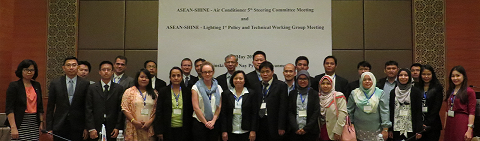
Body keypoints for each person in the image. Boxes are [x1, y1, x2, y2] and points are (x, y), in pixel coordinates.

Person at [47, 56, 90, 141]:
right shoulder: (55, 83)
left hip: (78, 126)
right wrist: (49, 128)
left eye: (74, 65)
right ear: (63, 68)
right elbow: (50, 107)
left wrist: (86, 127)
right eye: (68, 65)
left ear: (78, 67)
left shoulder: (85, 84)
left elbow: (87, 107)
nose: (71, 68)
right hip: (59, 125)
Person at [5, 59, 44, 140]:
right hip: (20, 122)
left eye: (32, 70)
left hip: (34, 122)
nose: (29, 72)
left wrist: (41, 123)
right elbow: (9, 108)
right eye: (26, 70)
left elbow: (40, 107)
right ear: (21, 71)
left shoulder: (37, 85)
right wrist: (13, 127)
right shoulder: (14, 86)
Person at [85, 61, 124, 141]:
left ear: (112, 72)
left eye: (108, 70)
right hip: (95, 126)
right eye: (103, 69)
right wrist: (91, 128)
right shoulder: (92, 88)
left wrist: (117, 127)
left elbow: (120, 110)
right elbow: (88, 109)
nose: (106, 72)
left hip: (112, 127)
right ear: (99, 72)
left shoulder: (119, 88)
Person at [347, 72, 391, 141]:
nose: (367, 82)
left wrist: (385, 129)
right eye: (364, 80)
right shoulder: (354, 93)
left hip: (376, 130)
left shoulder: (380, 93)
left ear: (373, 81)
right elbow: (349, 110)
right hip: (357, 130)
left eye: (369, 79)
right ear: (361, 81)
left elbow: (385, 111)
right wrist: (350, 124)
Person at [155, 67, 194, 141]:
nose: (176, 78)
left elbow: (190, 111)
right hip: (167, 129)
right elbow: (159, 111)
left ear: (182, 77)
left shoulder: (188, 91)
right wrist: (159, 131)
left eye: (178, 75)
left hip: (184, 129)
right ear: (170, 77)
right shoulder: (163, 91)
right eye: (173, 76)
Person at [254, 61, 288, 141]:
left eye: (267, 71)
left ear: (272, 72)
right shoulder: (256, 86)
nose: (265, 74)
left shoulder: (281, 85)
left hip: (274, 123)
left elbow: (283, 107)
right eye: (262, 72)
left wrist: (281, 126)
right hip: (259, 122)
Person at [220, 70, 257, 141]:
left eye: (240, 78)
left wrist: (253, 130)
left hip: (246, 130)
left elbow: (254, 114)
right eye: (236, 78)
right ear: (232, 80)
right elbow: (223, 114)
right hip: (230, 130)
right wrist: (224, 131)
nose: (238, 80)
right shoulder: (226, 94)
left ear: (244, 80)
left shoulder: (251, 94)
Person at [121, 69, 158, 141]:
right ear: (137, 78)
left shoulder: (154, 93)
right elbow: (124, 108)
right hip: (133, 126)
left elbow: (157, 110)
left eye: (146, 77)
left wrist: (150, 122)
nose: (144, 79)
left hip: (148, 127)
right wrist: (134, 121)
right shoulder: (129, 91)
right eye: (142, 77)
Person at [388, 69, 423, 141]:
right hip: (396, 128)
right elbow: (391, 111)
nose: (403, 77)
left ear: (410, 77)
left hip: (411, 128)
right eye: (400, 75)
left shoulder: (415, 91)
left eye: (406, 75)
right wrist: (390, 129)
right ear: (397, 77)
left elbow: (418, 112)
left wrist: (419, 130)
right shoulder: (393, 92)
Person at [192, 61, 223, 141]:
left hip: (214, 123)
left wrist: (213, 121)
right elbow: (196, 108)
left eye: (209, 72)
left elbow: (219, 106)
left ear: (213, 72)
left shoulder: (218, 88)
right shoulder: (195, 87)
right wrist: (206, 122)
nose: (207, 74)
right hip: (200, 123)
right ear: (201, 73)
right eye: (205, 72)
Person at [444, 66, 475, 141]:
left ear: (463, 76)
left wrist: (469, 129)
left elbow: (472, 111)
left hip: (461, 121)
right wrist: (445, 124)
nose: (455, 78)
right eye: (453, 76)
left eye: (458, 75)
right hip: (450, 121)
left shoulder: (469, 91)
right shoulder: (450, 91)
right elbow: (447, 109)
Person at [287, 70, 320, 141]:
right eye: (300, 79)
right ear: (297, 80)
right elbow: (290, 112)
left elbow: (316, 112)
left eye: (305, 79)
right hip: (295, 131)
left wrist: (306, 129)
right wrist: (295, 128)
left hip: (310, 131)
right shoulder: (292, 93)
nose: (302, 81)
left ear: (308, 80)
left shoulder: (314, 94)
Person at [415, 65, 443, 141]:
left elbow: (436, 107)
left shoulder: (437, 87)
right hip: (419, 125)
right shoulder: (416, 87)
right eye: (424, 74)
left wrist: (426, 123)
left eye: (428, 74)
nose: (426, 76)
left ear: (432, 75)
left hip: (433, 125)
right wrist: (420, 123)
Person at [318, 76, 347, 141]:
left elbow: (342, 114)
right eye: (323, 83)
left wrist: (338, 131)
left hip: (334, 130)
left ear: (332, 84)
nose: (325, 86)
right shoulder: (318, 97)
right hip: (322, 129)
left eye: (328, 84)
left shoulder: (338, 96)